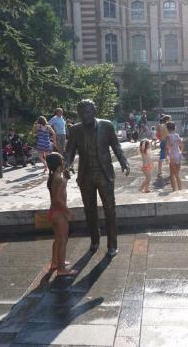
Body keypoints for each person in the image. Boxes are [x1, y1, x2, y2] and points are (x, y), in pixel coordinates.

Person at [65, 99, 130, 258]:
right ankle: (94, 241)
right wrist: (67, 165)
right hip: (85, 175)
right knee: (89, 210)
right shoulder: (75, 130)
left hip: (104, 173)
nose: (84, 116)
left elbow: (116, 145)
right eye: (81, 113)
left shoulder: (106, 126)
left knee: (110, 209)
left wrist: (124, 161)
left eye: (87, 112)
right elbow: (69, 151)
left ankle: (112, 244)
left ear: (94, 112)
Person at [45, 153, 77, 276]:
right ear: (59, 164)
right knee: (63, 240)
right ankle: (61, 269)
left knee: (57, 240)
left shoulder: (54, 176)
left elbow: (58, 192)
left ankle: (55, 262)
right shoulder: (58, 178)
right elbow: (58, 199)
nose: (64, 162)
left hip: (53, 212)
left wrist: (66, 180)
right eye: (62, 160)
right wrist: (69, 211)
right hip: (59, 213)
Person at [165, 121, 183, 191]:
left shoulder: (168, 136)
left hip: (172, 156)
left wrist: (166, 156)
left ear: (167, 128)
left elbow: (167, 147)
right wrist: (181, 152)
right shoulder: (177, 135)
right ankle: (180, 188)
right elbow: (181, 145)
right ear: (174, 128)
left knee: (173, 174)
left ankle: (174, 189)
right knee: (177, 173)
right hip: (178, 155)